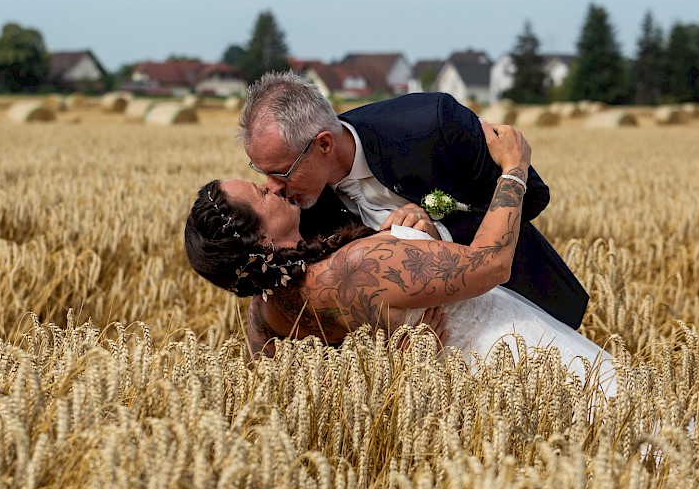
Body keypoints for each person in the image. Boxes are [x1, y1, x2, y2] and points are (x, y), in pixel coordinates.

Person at [185, 120, 617, 397]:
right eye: (261, 194)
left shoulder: (267, 311)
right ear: (260, 242)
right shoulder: (359, 267)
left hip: (471, 393)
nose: (273, 187)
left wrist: (389, 363)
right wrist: (514, 170)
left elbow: (282, 392)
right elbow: (490, 264)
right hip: (516, 356)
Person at [237, 70, 589, 330]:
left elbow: (534, 196)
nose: (272, 187)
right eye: (260, 171)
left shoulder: (431, 122)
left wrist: (439, 230)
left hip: (527, 306)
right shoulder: (300, 216)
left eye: (280, 171)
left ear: (324, 145)